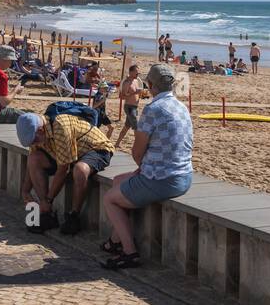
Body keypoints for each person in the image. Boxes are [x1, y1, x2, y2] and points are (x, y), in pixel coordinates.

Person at [100, 63, 193, 269]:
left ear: (150, 85)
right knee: (118, 181)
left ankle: (129, 252)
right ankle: (114, 242)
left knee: (110, 200)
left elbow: (137, 151)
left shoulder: (153, 109)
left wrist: (142, 167)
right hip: (184, 176)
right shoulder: (181, 106)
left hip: (162, 180)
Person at [17, 107, 115, 236]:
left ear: (40, 130)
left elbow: (63, 169)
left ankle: (74, 216)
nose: (33, 144)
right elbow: (32, 163)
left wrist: (49, 199)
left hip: (94, 149)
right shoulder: (37, 132)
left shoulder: (60, 127)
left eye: (34, 141)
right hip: (68, 153)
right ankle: (47, 213)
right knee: (34, 158)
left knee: (80, 170)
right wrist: (25, 191)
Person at [115, 63, 144, 149]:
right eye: (136, 72)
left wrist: (140, 94)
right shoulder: (127, 83)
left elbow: (136, 93)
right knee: (136, 126)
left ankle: (117, 143)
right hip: (129, 107)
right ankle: (138, 145)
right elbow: (122, 96)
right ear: (131, 72)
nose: (138, 74)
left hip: (134, 106)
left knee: (127, 126)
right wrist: (135, 93)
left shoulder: (136, 81)